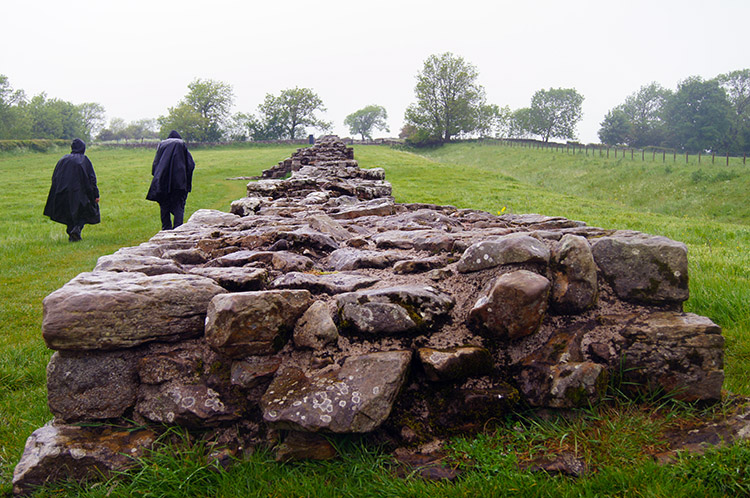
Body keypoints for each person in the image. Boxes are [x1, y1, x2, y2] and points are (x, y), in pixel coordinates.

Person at [43, 138, 100, 242]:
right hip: (80, 192)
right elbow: (92, 178)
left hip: (63, 191)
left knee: (68, 213)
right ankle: (76, 230)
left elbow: (55, 177)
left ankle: (72, 234)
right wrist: (95, 194)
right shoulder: (84, 160)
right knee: (86, 211)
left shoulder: (63, 160)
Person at [146, 130, 195, 230]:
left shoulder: (161, 145)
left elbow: (155, 165)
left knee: (164, 206)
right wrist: (186, 180)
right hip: (179, 183)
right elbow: (191, 165)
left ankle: (166, 229)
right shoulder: (181, 145)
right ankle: (178, 229)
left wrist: (158, 178)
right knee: (178, 206)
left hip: (162, 182)